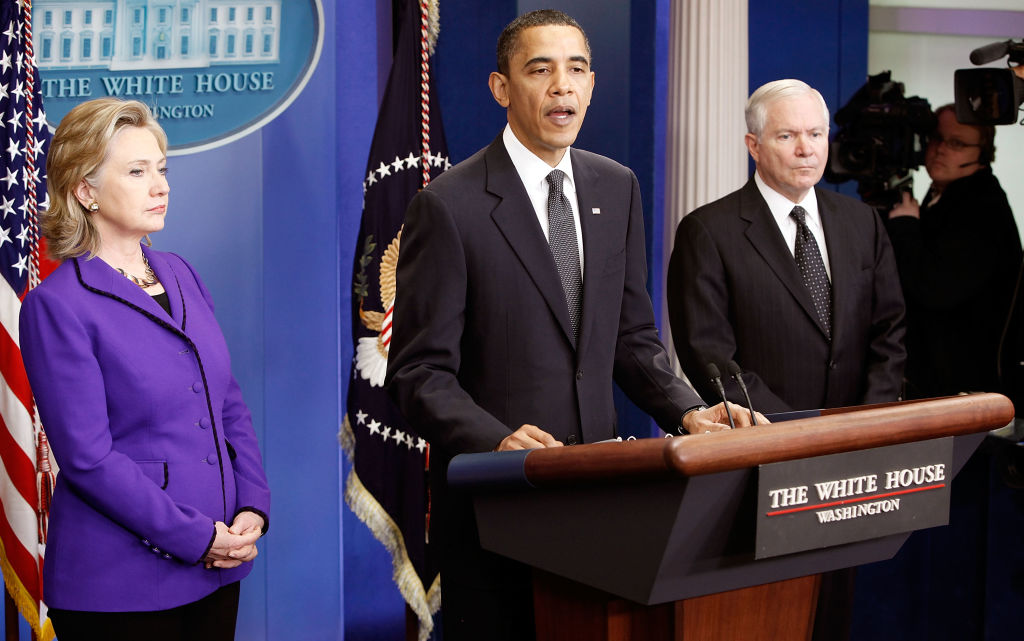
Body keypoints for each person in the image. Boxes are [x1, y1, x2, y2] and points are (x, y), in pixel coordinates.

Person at [385, 10, 756, 640]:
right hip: (497, 514)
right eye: (541, 69)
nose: (563, 85)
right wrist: (499, 440)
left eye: (577, 69)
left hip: (599, 505)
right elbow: (419, 374)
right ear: (501, 88)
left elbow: (632, 339)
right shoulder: (449, 206)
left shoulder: (618, 187)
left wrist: (690, 412)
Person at [19, 99, 270, 640]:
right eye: (137, 171)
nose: (161, 186)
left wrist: (252, 503)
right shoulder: (57, 306)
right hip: (120, 588)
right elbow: (88, 460)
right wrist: (196, 536)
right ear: (85, 190)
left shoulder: (180, 273)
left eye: (162, 169)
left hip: (218, 567)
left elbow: (226, 402)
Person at [667, 79, 906, 415]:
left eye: (816, 134)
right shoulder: (708, 232)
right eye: (787, 136)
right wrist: (796, 432)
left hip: (861, 438)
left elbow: (890, 333)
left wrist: (867, 422)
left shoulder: (863, 221)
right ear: (754, 146)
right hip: (768, 444)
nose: (805, 149)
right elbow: (711, 357)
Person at [887, 103, 1021, 399]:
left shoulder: (982, 206)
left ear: (983, 153)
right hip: (943, 378)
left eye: (956, 143)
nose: (940, 149)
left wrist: (905, 227)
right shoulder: (951, 193)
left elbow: (935, 286)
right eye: (936, 138)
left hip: (966, 388)